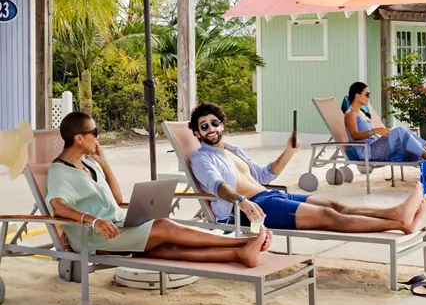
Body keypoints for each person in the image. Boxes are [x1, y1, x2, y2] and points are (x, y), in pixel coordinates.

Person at [46, 111, 271, 268]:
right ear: (78, 138)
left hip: (120, 229)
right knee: (164, 226)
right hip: (96, 238)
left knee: (165, 247)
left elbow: (117, 198)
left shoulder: (89, 164)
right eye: (94, 131)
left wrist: (103, 162)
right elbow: (58, 206)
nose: (98, 136)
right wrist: (93, 220)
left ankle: (240, 254)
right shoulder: (59, 171)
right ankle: (243, 242)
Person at [189, 102, 426, 235]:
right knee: (328, 217)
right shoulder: (202, 159)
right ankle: (399, 224)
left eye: (214, 123)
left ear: (222, 125)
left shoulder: (232, 150)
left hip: (269, 195)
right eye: (204, 126)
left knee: (336, 205)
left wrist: (289, 151)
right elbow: (217, 185)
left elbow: (263, 175)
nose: (210, 128)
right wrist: (241, 201)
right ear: (197, 133)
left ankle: (396, 213)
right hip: (248, 210)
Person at [343, 82, 426, 164]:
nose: (369, 97)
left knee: (404, 132)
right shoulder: (350, 114)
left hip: (374, 146)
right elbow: (354, 135)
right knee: (400, 130)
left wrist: (382, 134)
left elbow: (370, 135)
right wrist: (375, 131)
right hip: (366, 151)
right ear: (357, 95)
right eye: (367, 94)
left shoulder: (362, 112)